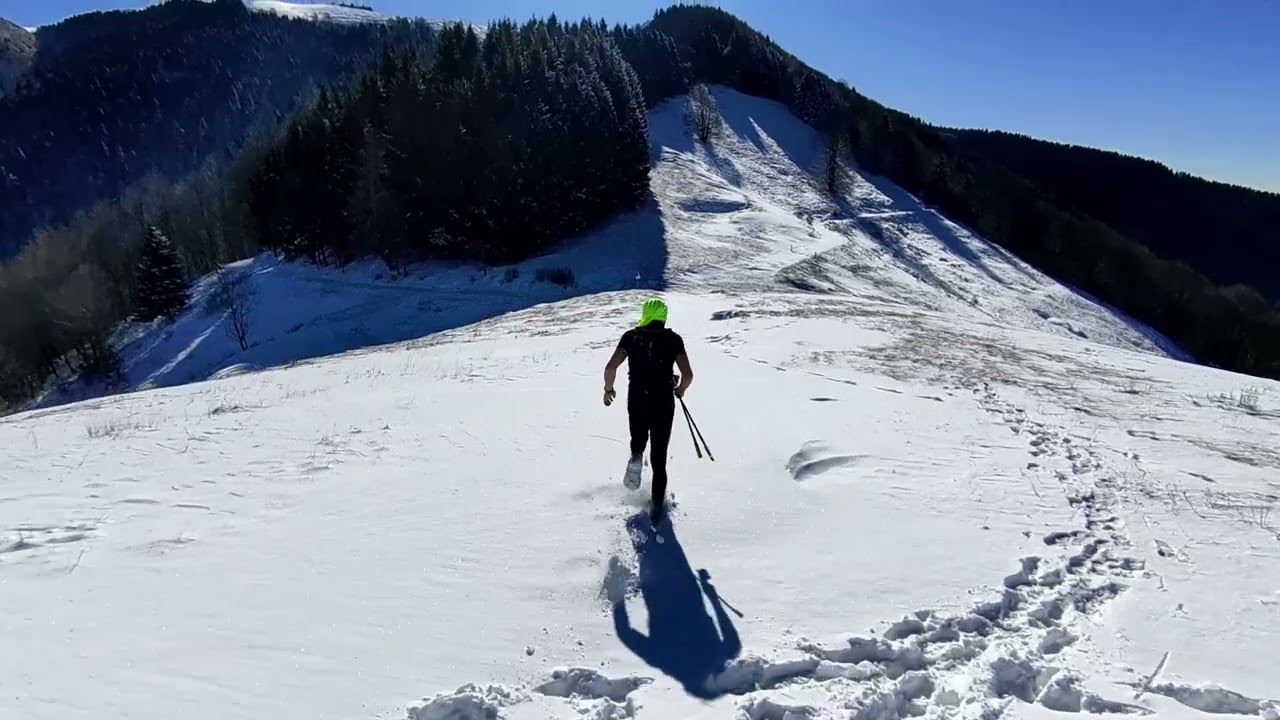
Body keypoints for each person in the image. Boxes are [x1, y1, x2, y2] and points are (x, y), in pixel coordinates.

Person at [603, 296, 693, 525]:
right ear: (663, 317)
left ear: (646, 314)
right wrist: (680, 389)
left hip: (637, 399)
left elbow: (611, 367)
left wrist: (609, 389)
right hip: (663, 401)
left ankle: (636, 455)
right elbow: (688, 375)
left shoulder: (631, 337)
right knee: (659, 459)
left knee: (638, 440)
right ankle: (656, 510)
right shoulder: (673, 339)